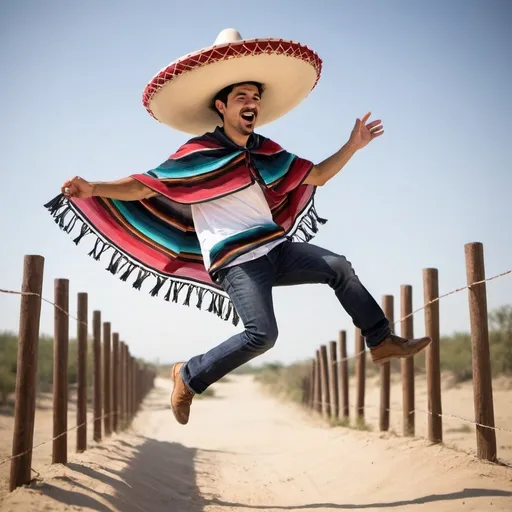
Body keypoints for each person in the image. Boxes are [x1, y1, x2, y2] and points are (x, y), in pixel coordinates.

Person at [46, 28, 431, 426]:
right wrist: (93, 187)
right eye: (242, 98)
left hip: (276, 247)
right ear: (222, 106)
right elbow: (143, 186)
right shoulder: (199, 153)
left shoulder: (266, 151)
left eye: (256, 98)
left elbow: (316, 175)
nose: (252, 104)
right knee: (262, 335)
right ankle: (188, 375)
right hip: (235, 260)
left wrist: (352, 146)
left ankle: (380, 339)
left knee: (339, 267)